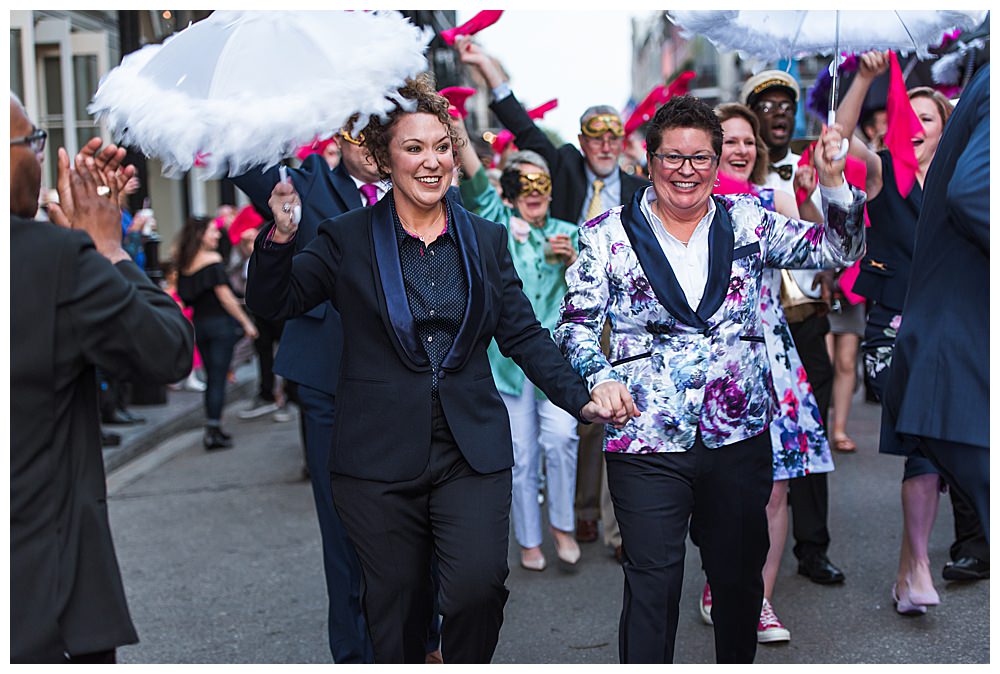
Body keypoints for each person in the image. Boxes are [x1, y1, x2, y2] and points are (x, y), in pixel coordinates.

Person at [245, 75, 618, 664]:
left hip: (469, 450)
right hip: (377, 457)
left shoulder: (486, 239)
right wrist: (282, 236)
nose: (431, 162)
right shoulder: (345, 238)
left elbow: (522, 332)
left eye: (441, 146)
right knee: (395, 609)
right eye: (413, 148)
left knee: (477, 591)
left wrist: (582, 396)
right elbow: (276, 303)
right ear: (384, 157)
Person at [555, 95, 866, 664]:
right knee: (653, 582)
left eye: (700, 159)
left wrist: (833, 182)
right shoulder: (606, 234)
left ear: (717, 163)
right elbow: (575, 325)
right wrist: (598, 377)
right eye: (674, 157)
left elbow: (839, 249)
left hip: (737, 435)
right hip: (646, 435)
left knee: (739, 581)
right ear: (649, 159)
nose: (686, 171)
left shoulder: (747, 220)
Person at [11, 94, 194, 663]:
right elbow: (166, 352)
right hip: (42, 594)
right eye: (30, 142)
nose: (38, 156)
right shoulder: (51, 259)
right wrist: (108, 249)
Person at [454, 35, 649, 549]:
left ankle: (613, 525)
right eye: (595, 136)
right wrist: (486, 69)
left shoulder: (638, 190)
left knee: (615, 414)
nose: (606, 145)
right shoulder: (560, 169)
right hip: (565, 318)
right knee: (572, 419)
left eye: (614, 136)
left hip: (622, 316)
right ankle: (576, 515)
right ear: (583, 142)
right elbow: (520, 124)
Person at [233, 116, 409, 663]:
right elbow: (242, 159)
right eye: (364, 138)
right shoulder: (305, 183)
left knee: (411, 529)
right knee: (344, 536)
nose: (377, 149)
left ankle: (416, 641)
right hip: (331, 386)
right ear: (340, 141)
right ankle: (356, 655)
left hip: (405, 386)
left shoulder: (416, 186)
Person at [837, 52, 990, 611]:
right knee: (925, 444)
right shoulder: (883, 170)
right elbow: (837, 139)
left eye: (930, 119)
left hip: (952, 325)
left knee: (939, 441)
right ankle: (922, 562)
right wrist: (867, 79)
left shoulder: (961, 173)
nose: (917, 126)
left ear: (949, 131)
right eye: (912, 117)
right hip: (894, 326)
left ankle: (923, 562)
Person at [696, 103, 835, 644]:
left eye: (748, 140)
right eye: (728, 140)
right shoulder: (685, 203)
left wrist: (820, 186)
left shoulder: (769, 197)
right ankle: (720, 580)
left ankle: (759, 601)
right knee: (723, 489)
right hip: (711, 363)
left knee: (776, 488)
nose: (741, 149)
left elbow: (818, 254)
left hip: (771, 353)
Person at [453, 118, 582, 573]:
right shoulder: (497, 223)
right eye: (523, 182)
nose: (534, 191)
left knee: (563, 439)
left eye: (541, 183)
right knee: (521, 452)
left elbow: (591, 294)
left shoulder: (570, 232)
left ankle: (563, 526)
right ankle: (530, 539)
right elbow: (473, 184)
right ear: (510, 190)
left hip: (555, 359)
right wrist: (457, 132)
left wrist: (574, 263)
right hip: (506, 362)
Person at [743, 71, 846, 586]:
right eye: (769, 106)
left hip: (802, 323)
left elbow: (828, 250)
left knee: (807, 437)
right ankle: (742, 558)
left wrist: (814, 191)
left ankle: (814, 546)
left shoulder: (810, 166)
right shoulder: (728, 186)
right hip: (750, 334)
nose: (780, 113)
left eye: (788, 105)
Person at [176, 215, 258, 450]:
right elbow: (226, 298)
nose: (218, 235)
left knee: (212, 377)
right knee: (218, 378)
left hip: (200, 327)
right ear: (201, 235)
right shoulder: (211, 260)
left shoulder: (186, 263)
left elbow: (186, 297)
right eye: (213, 231)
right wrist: (246, 323)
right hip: (220, 326)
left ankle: (213, 426)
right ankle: (213, 429)